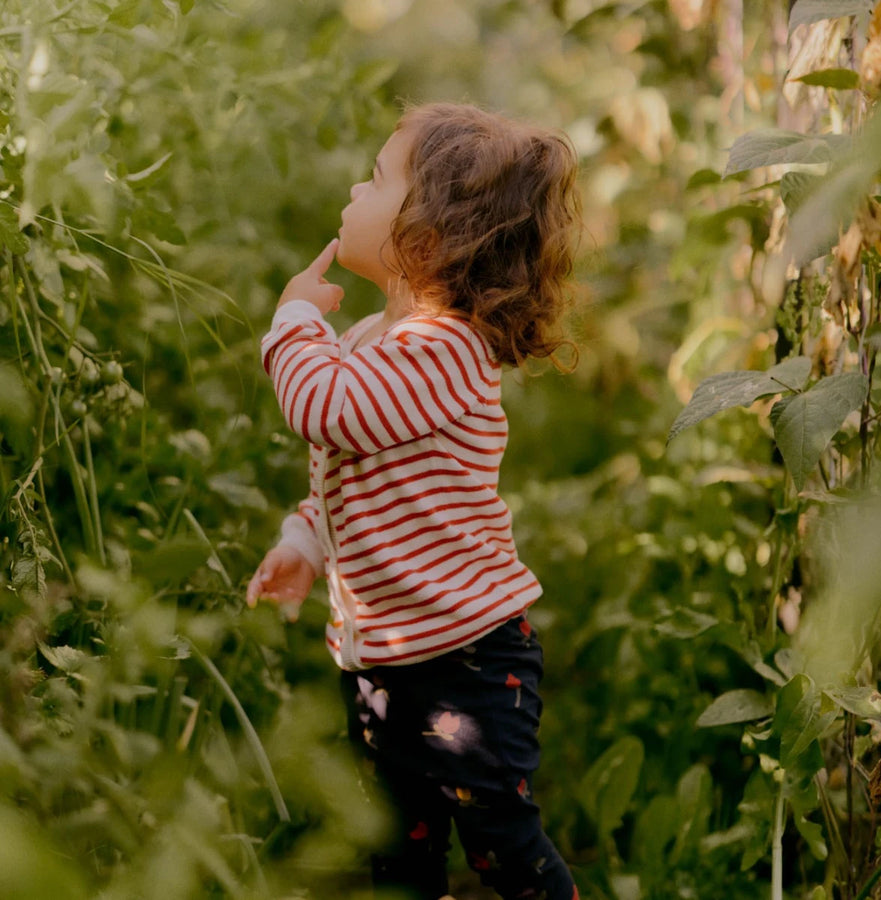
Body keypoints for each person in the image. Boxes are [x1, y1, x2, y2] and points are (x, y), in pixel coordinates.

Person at [246, 102, 581, 900]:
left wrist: (291, 322)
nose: (354, 192)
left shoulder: (448, 350)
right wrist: (305, 541)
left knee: (498, 837)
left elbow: (327, 410)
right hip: (381, 663)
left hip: (466, 657)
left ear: (424, 241)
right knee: (397, 845)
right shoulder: (372, 343)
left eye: (375, 180)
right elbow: (345, 474)